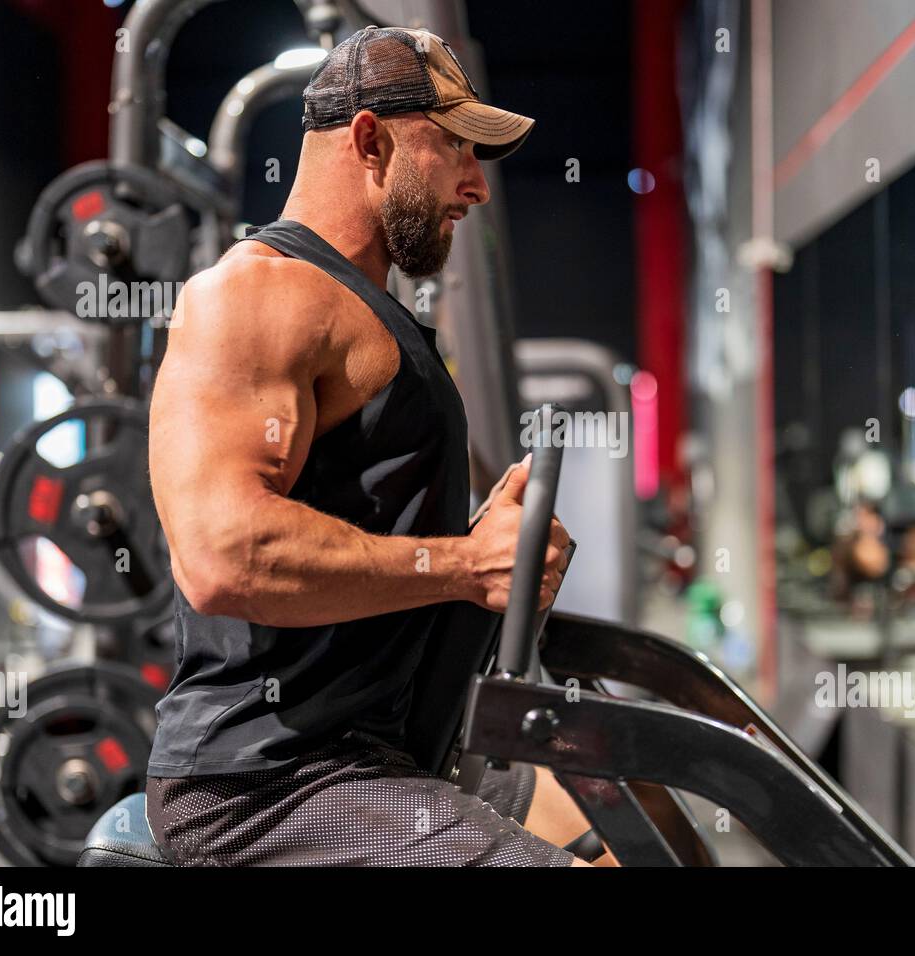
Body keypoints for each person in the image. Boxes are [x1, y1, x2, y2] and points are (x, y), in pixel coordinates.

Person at [145, 26, 607, 866]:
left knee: (623, 830)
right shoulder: (257, 297)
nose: (478, 186)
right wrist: (465, 567)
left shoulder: (366, 307)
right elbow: (223, 557)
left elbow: (382, 543)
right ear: (370, 140)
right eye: (457, 151)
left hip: (385, 756)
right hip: (272, 784)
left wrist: (492, 557)